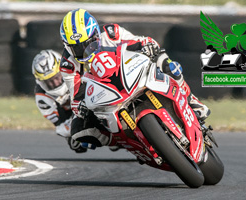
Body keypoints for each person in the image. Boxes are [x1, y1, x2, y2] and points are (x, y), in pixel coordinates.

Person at [59, 8, 210, 149]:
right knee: (78, 130)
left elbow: (142, 42)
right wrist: (80, 106)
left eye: (88, 43)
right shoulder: (68, 64)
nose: (84, 51)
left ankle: (191, 101)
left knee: (165, 62)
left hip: (128, 72)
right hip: (103, 93)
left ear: (96, 33)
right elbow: (76, 94)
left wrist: (147, 46)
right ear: (67, 46)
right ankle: (121, 141)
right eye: (77, 48)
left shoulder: (111, 33)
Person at [32, 49, 87, 153]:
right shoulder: (42, 97)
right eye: (49, 82)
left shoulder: (76, 67)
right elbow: (60, 126)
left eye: (57, 77)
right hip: (71, 116)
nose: (56, 83)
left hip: (89, 101)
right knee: (76, 145)